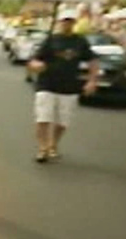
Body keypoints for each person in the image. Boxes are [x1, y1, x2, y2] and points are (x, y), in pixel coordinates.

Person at [27, 11, 99, 163]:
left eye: (70, 21)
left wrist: (92, 80)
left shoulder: (80, 41)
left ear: (74, 23)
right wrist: (36, 65)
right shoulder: (51, 40)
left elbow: (93, 61)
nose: (67, 24)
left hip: (69, 87)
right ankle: (42, 148)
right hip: (47, 84)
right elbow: (34, 60)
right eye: (65, 21)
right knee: (43, 118)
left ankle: (53, 144)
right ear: (60, 22)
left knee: (62, 122)